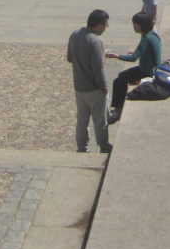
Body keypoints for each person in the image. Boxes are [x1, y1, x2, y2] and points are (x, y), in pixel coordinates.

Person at [67, 9, 112, 154]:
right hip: (94, 89)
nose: (106, 27)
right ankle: (103, 146)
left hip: (79, 87)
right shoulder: (95, 41)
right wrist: (104, 87)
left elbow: (69, 58)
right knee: (100, 121)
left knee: (82, 119)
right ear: (98, 25)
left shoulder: (74, 35)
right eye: (105, 24)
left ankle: (82, 147)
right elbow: (98, 69)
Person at [105, 11, 162, 122]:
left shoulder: (146, 38)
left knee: (118, 81)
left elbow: (133, 58)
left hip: (147, 72)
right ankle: (118, 107)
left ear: (141, 25)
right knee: (122, 76)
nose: (133, 26)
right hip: (151, 69)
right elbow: (145, 53)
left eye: (135, 24)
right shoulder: (153, 35)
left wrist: (115, 56)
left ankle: (118, 111)